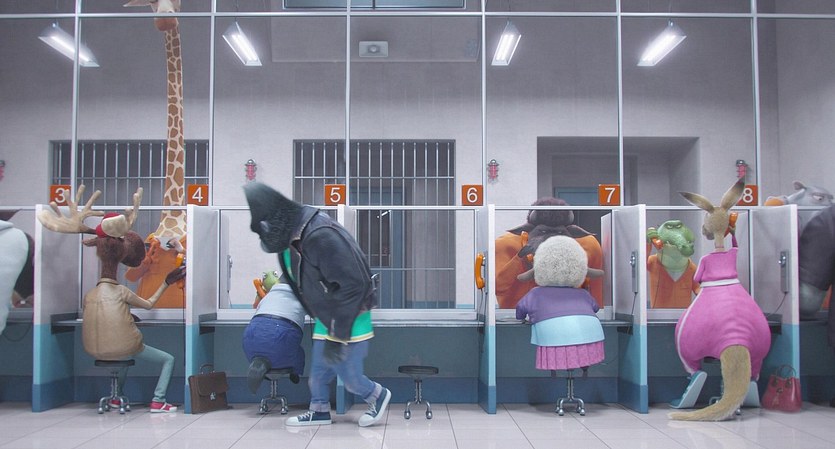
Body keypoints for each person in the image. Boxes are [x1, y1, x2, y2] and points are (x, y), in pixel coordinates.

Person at [244, 182, 390, 427]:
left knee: (350, 377)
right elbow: (298, 283)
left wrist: (337, 335)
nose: (262, 239)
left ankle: (378, 394)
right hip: (328, 314)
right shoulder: (287, 243)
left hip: (351, 313)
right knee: (319, 374)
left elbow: (355, 285)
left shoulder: (320, 234)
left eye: (263, 231)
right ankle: (319, 411)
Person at [495, 197, 604, 309]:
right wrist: (520, 258)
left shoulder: (588, 244)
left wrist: (601, 314)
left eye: (559, 232)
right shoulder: (506, 244)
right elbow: (497, 287)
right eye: (543, 231)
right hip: (516, 314)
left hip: (570, 311)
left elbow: (597, 288)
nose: (551, 238)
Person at [243, 273, 306, 393]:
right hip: (281, 336)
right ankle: (296, 372)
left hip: (250, 339)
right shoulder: (301, 296)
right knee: (298, 352)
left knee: (283, 350)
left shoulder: (269, 296)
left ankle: (267, 372)